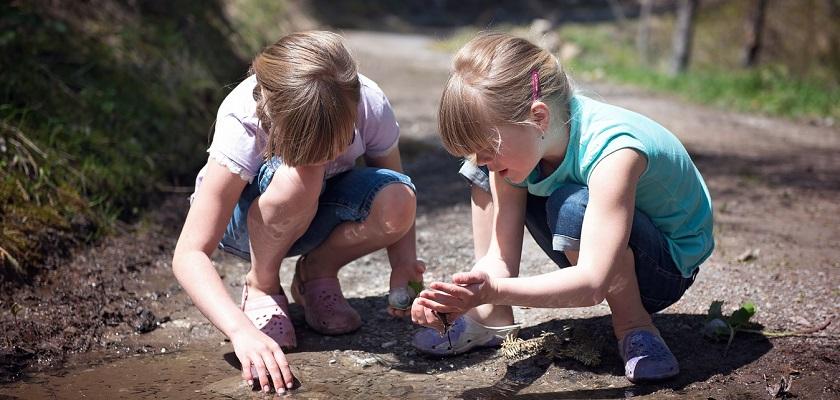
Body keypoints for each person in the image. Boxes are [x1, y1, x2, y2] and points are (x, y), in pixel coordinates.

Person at [410, 32, 713, 383]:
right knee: (489, 174)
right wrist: (458, 298)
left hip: (664, 269)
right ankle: (492, 319)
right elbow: (500, 260)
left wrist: (493, 289)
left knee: (573, 206)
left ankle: (635, 326)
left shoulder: (614, 151)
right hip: (599, 245)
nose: (483, 161)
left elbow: (591, 284)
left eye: (488, 147)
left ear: (538, 117)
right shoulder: (526, 145)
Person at [172, 31, 425, 393]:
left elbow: (394, 180)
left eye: (335, 145)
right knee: (301, 177)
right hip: (246, 223)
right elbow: (189, 253)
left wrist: (404, 265)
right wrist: (240, 331)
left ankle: (316, 273)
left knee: (400, 197)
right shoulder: (242, 118)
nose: (326, 157)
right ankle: (262, 284)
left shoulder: (367, 100)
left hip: (317, 213)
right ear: (273, 120)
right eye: (311, 148)